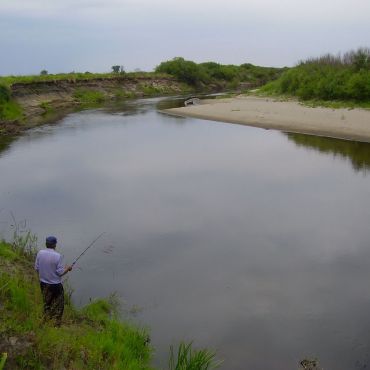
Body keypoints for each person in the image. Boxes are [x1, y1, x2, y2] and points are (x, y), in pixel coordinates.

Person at [34, 236, 72, 326]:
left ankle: (46, 319)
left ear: (46, 244)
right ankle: (57, 323)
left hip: (43, 283)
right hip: (55, 285)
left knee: (46, 302)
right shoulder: (58, 256)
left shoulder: (40, 253)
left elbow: (36, 268)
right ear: (55, 245)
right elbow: (60, 273)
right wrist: (68, 269)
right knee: (60, 304)